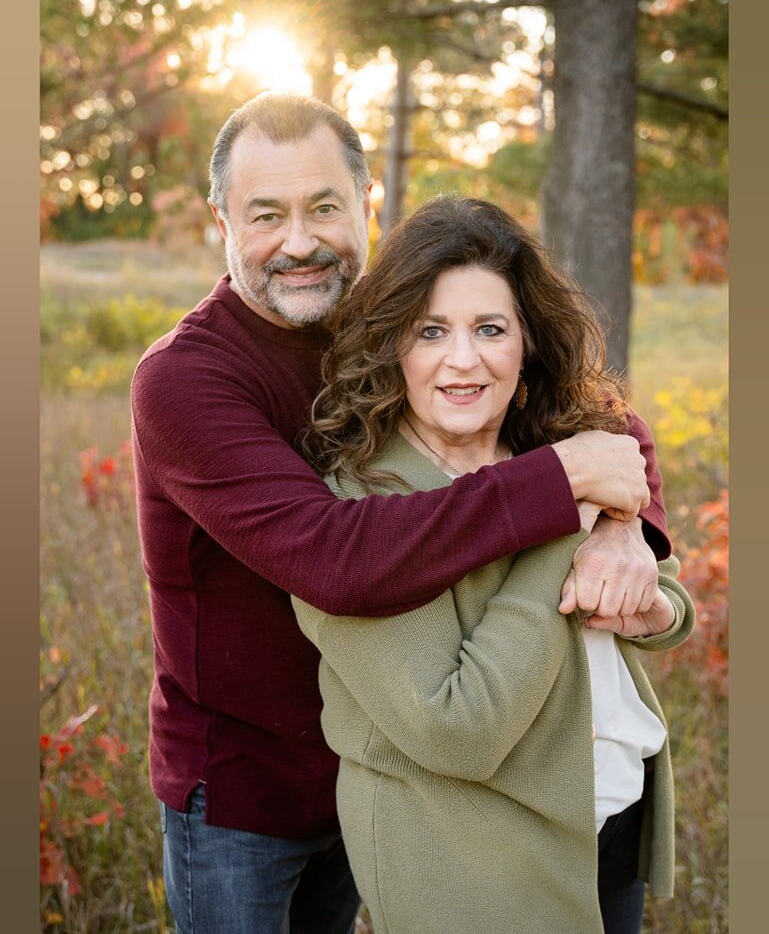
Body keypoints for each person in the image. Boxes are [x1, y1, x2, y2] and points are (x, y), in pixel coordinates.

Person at [131, 93, 669, 934]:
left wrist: (621, 525)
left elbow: (596, 420)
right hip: (248, 783)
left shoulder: (386, 317)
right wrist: (565, 493)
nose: (299, 242)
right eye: (265, 215)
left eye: (324, 208)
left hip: (390, 764)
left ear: (366, 202)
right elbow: (332, 558)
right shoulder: (187, 379)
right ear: (221, 220)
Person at [292, 195, 695, 934]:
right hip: (470, 860)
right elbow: (457, 730)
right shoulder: (360, 510)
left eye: (489, 329)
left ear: (526, 343)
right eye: (430, 332)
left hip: (606, 814)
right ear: (391, 345)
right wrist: (566, 518)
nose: (463, 359)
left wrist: (647, 593)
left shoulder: (555, 444)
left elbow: (662, 607)